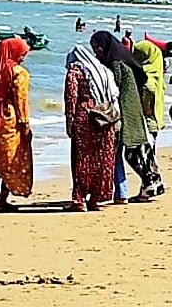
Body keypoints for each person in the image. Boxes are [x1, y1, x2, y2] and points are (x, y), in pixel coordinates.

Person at [93, 31, 162, 202]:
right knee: (139, 152)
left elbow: (114, 89)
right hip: (133, 111)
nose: (96, 51)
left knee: (131, 154)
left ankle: (142, 187)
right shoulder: (126, 61)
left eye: (98, 47)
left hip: (125, 113)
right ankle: (150, 186)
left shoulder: (116, 63)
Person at [63, 43, 118, 211]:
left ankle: (79, 199)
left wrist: (69, 121)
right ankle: (96, 198)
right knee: (102, 159)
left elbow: (71, 98)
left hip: (85, 118)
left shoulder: (75, 73)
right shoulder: (104, 71)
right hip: (105, 117)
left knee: (82, 158)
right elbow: (114, 95)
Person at [0, 37, 33, 211]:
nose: (23, 57)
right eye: (22, 53)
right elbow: (20, 101)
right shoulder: (19, 73)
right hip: (10, 122)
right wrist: (25, 125)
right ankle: (2, 200)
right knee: (12, 161)